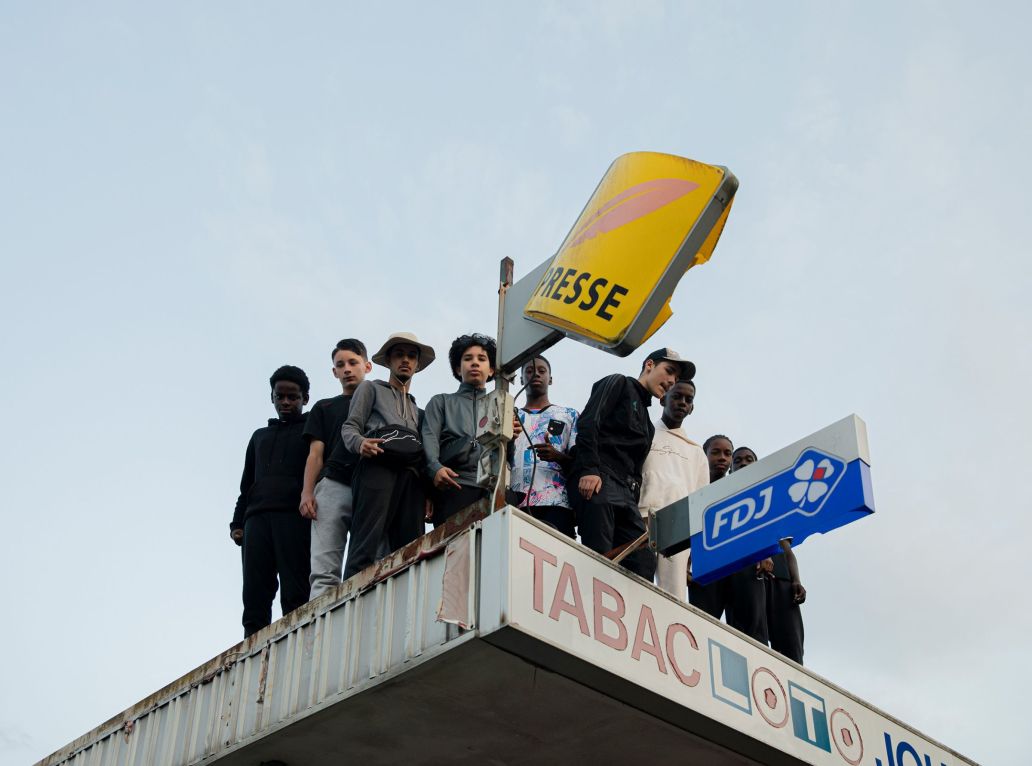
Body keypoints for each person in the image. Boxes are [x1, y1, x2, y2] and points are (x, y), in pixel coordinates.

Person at [570, 348, 694, 580]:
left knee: (644, 560)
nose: (671, 381)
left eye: (675, 378)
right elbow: (588, 423)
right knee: (598, 555)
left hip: (627, 495)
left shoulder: (648, 425)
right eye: (668, 371)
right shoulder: (619, 383)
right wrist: (589, 470)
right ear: (649, 365)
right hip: (600, 480)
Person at [341, 332, 434, 579]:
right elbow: (350, 427)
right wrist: (360, 444)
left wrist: (427, 492)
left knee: (411, 545)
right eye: (399, 355)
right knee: (365, 540)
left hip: (411, 475)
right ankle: (351, 601)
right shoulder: (370, 389)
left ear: (417, 364)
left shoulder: (419, 410)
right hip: (377, 464)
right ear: (389, 361)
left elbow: (424, 453)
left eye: (411, 356)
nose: (405, 360)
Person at [230, 365, 312, 638]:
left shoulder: (310, 431)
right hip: (256, 519)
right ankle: (252, 646)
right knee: (255, 588)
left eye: (293, 397)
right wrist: (237, 521)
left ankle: (297, 640)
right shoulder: (259, 437)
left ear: (305, 399)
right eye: (281, 397)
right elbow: (246, 485)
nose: (286, 402)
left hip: (294, 516)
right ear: (272, 398)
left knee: (295, 586)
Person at [301, 339, 371, 599]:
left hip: (370, 487)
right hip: (333, 486)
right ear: (334, 372)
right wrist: (307, 493)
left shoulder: (380, 400)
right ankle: (319, 636)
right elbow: (315, 455)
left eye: (353, 363)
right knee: (324, 570)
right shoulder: (324, 407)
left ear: (368, 366)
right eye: (340, 365)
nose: (347, 369)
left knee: (371, 561)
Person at [687, 435, 769, 644]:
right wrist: (685, 563)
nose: (722, 458)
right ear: (703, 456)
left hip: (741, 563)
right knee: (700, 623)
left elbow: (759, 524)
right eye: (716, 452)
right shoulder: (692, 488)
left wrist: (765, 552)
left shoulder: (742, 489)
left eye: (727, 453)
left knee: (751, 631)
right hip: (705, 566)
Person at [734, 445, 807, 664]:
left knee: (791, 645)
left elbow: (786, 548)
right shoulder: (729, 501)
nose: (744, 463)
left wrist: (796, 580)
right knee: (753, 640)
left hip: (781, 578)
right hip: (749, 575)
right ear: (731, 469)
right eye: (738, 461)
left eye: (749, 459)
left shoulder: (773, 498)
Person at [638, 379, 708, 600]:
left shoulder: (696, 451)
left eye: (688, 400)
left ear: (692, 408)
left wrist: (694, 545)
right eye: (677, 396)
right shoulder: (644, 432)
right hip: (641, 518)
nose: (682, 403)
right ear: (663, 399)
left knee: (674, 594)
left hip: (678, 528)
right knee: (637, 582)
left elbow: (700, 499)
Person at [422, 334, 498, 527]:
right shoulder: (441, 401)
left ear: (491, 370)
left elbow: (507, 455)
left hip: (491, 490)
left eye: (481, 359)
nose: (474, 363)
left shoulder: (499, 407)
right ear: (458, 368)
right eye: (468, 358)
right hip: (453, 485)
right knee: (454, 553)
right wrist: (435, 469)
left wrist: (512, 438)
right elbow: (429, 438)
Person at [509, 356, 579, 537]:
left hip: (557, 503)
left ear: (551, 378)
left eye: (542, 371)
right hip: (515, 502)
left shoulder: (568, 414)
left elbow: (580, 462)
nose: (536, 375)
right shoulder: (509, 414)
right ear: (522, 379)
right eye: (530, 371)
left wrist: (558, 456)